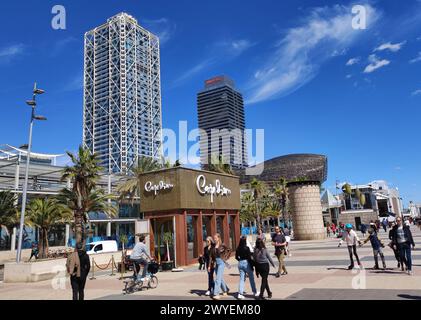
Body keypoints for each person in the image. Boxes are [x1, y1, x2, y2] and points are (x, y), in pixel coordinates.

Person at [210, 233, 230, 300]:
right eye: (214, 238)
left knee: (218, 278)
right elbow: (212, 255)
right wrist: (212, 263)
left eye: (215, 238)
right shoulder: (213, 246)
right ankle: (225, 289)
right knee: (220, 278)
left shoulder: (222, 245)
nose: (214, 239)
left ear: (218, 238)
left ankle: (216, 293)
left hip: (221, 262)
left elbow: (229, 250)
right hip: (216, 263)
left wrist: (225, 258)